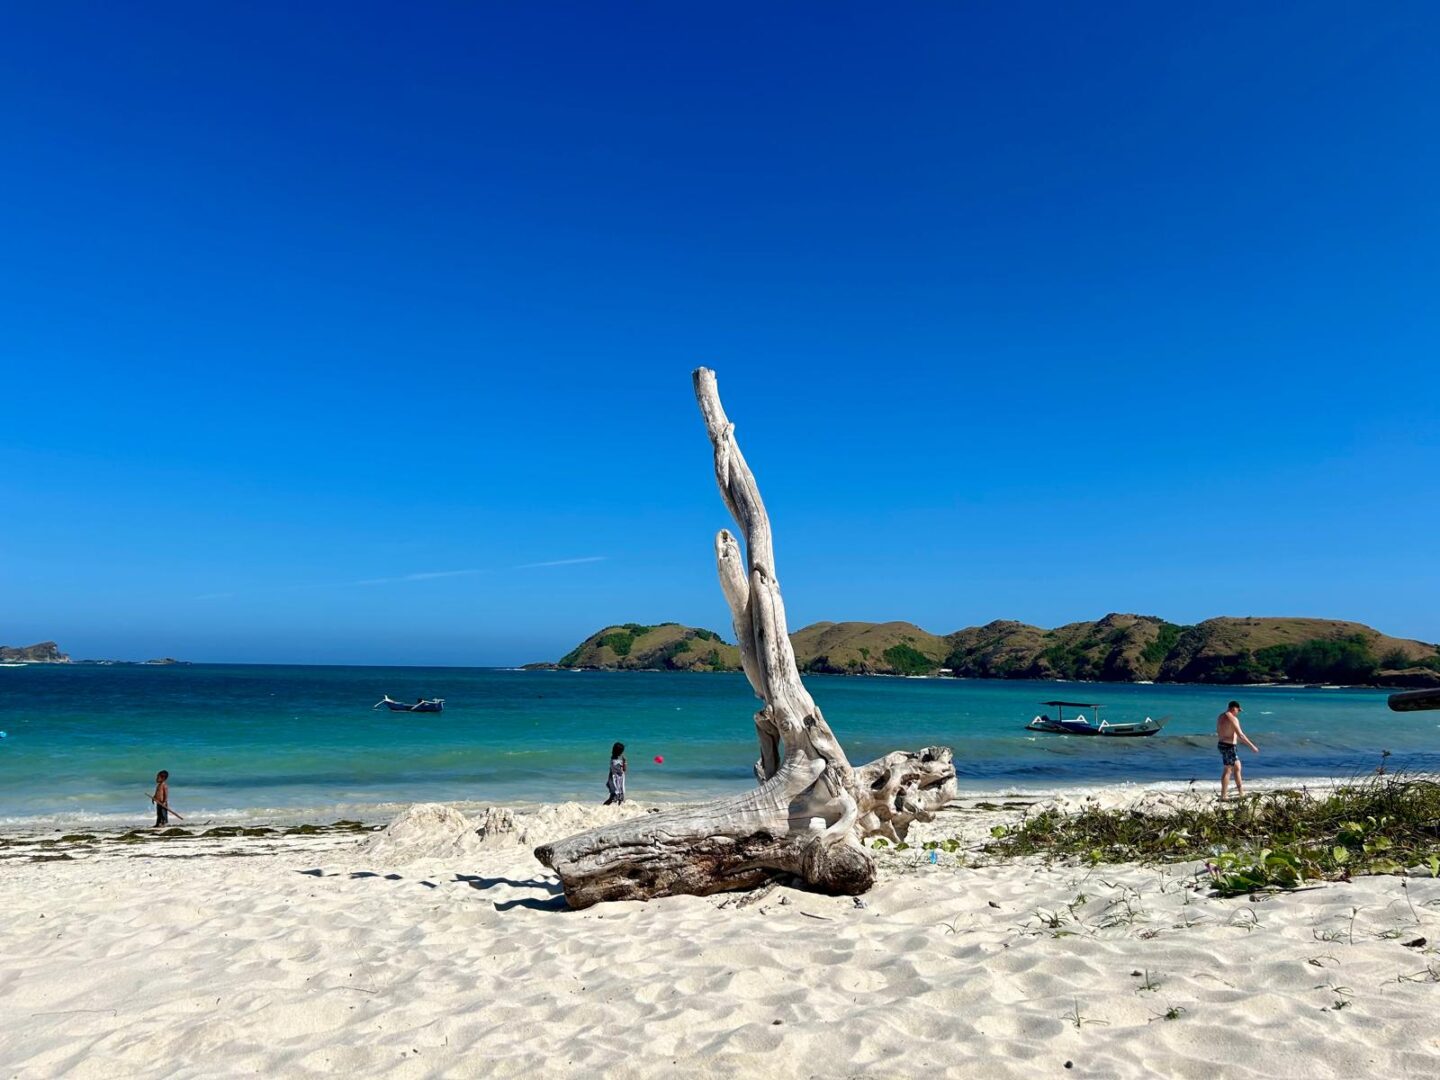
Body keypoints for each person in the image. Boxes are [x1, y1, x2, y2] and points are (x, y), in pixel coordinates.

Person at [1216, 701, 1258, 800]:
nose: (1238, 712)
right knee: (1228, 769)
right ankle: (1223, 796)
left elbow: (1220, 730)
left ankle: (1241, 793)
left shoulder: (1221, 716)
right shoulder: (1232, 718)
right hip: (1228, 746)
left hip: (1222, 744)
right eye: (1238, 710)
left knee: (1237, 767)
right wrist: (1252, 746)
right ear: (1234, 708)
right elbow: (1241, 735)